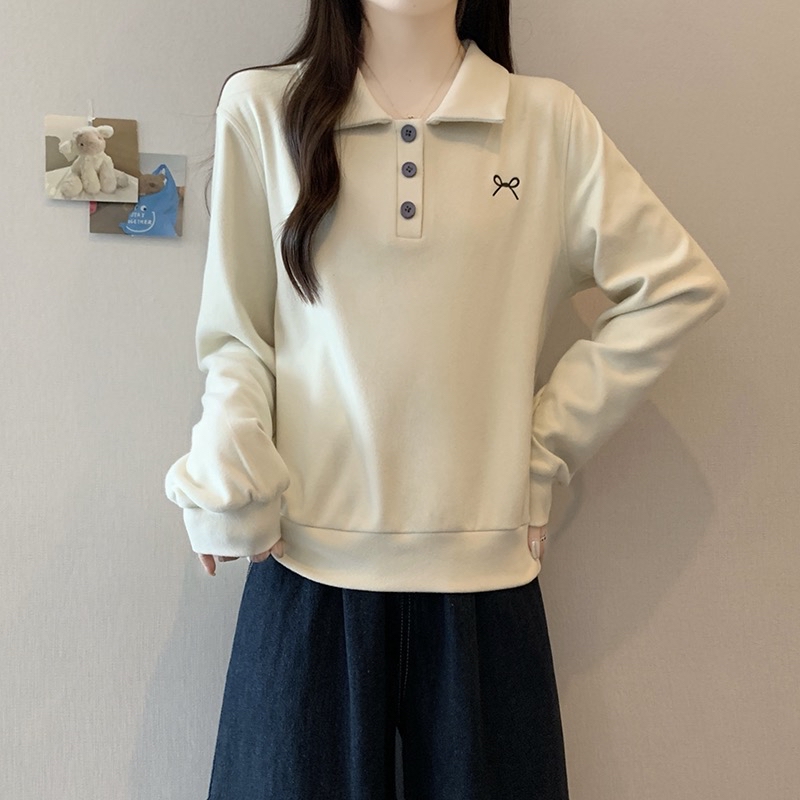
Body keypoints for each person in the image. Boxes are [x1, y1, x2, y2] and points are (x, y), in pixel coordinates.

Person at [164, 1, 730, 797]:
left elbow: (676, 286)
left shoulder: (546, 122)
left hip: (484, 587)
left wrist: (542, 451)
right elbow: (239, 338)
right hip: (306, 573)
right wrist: (231, 473)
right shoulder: (264, 110)